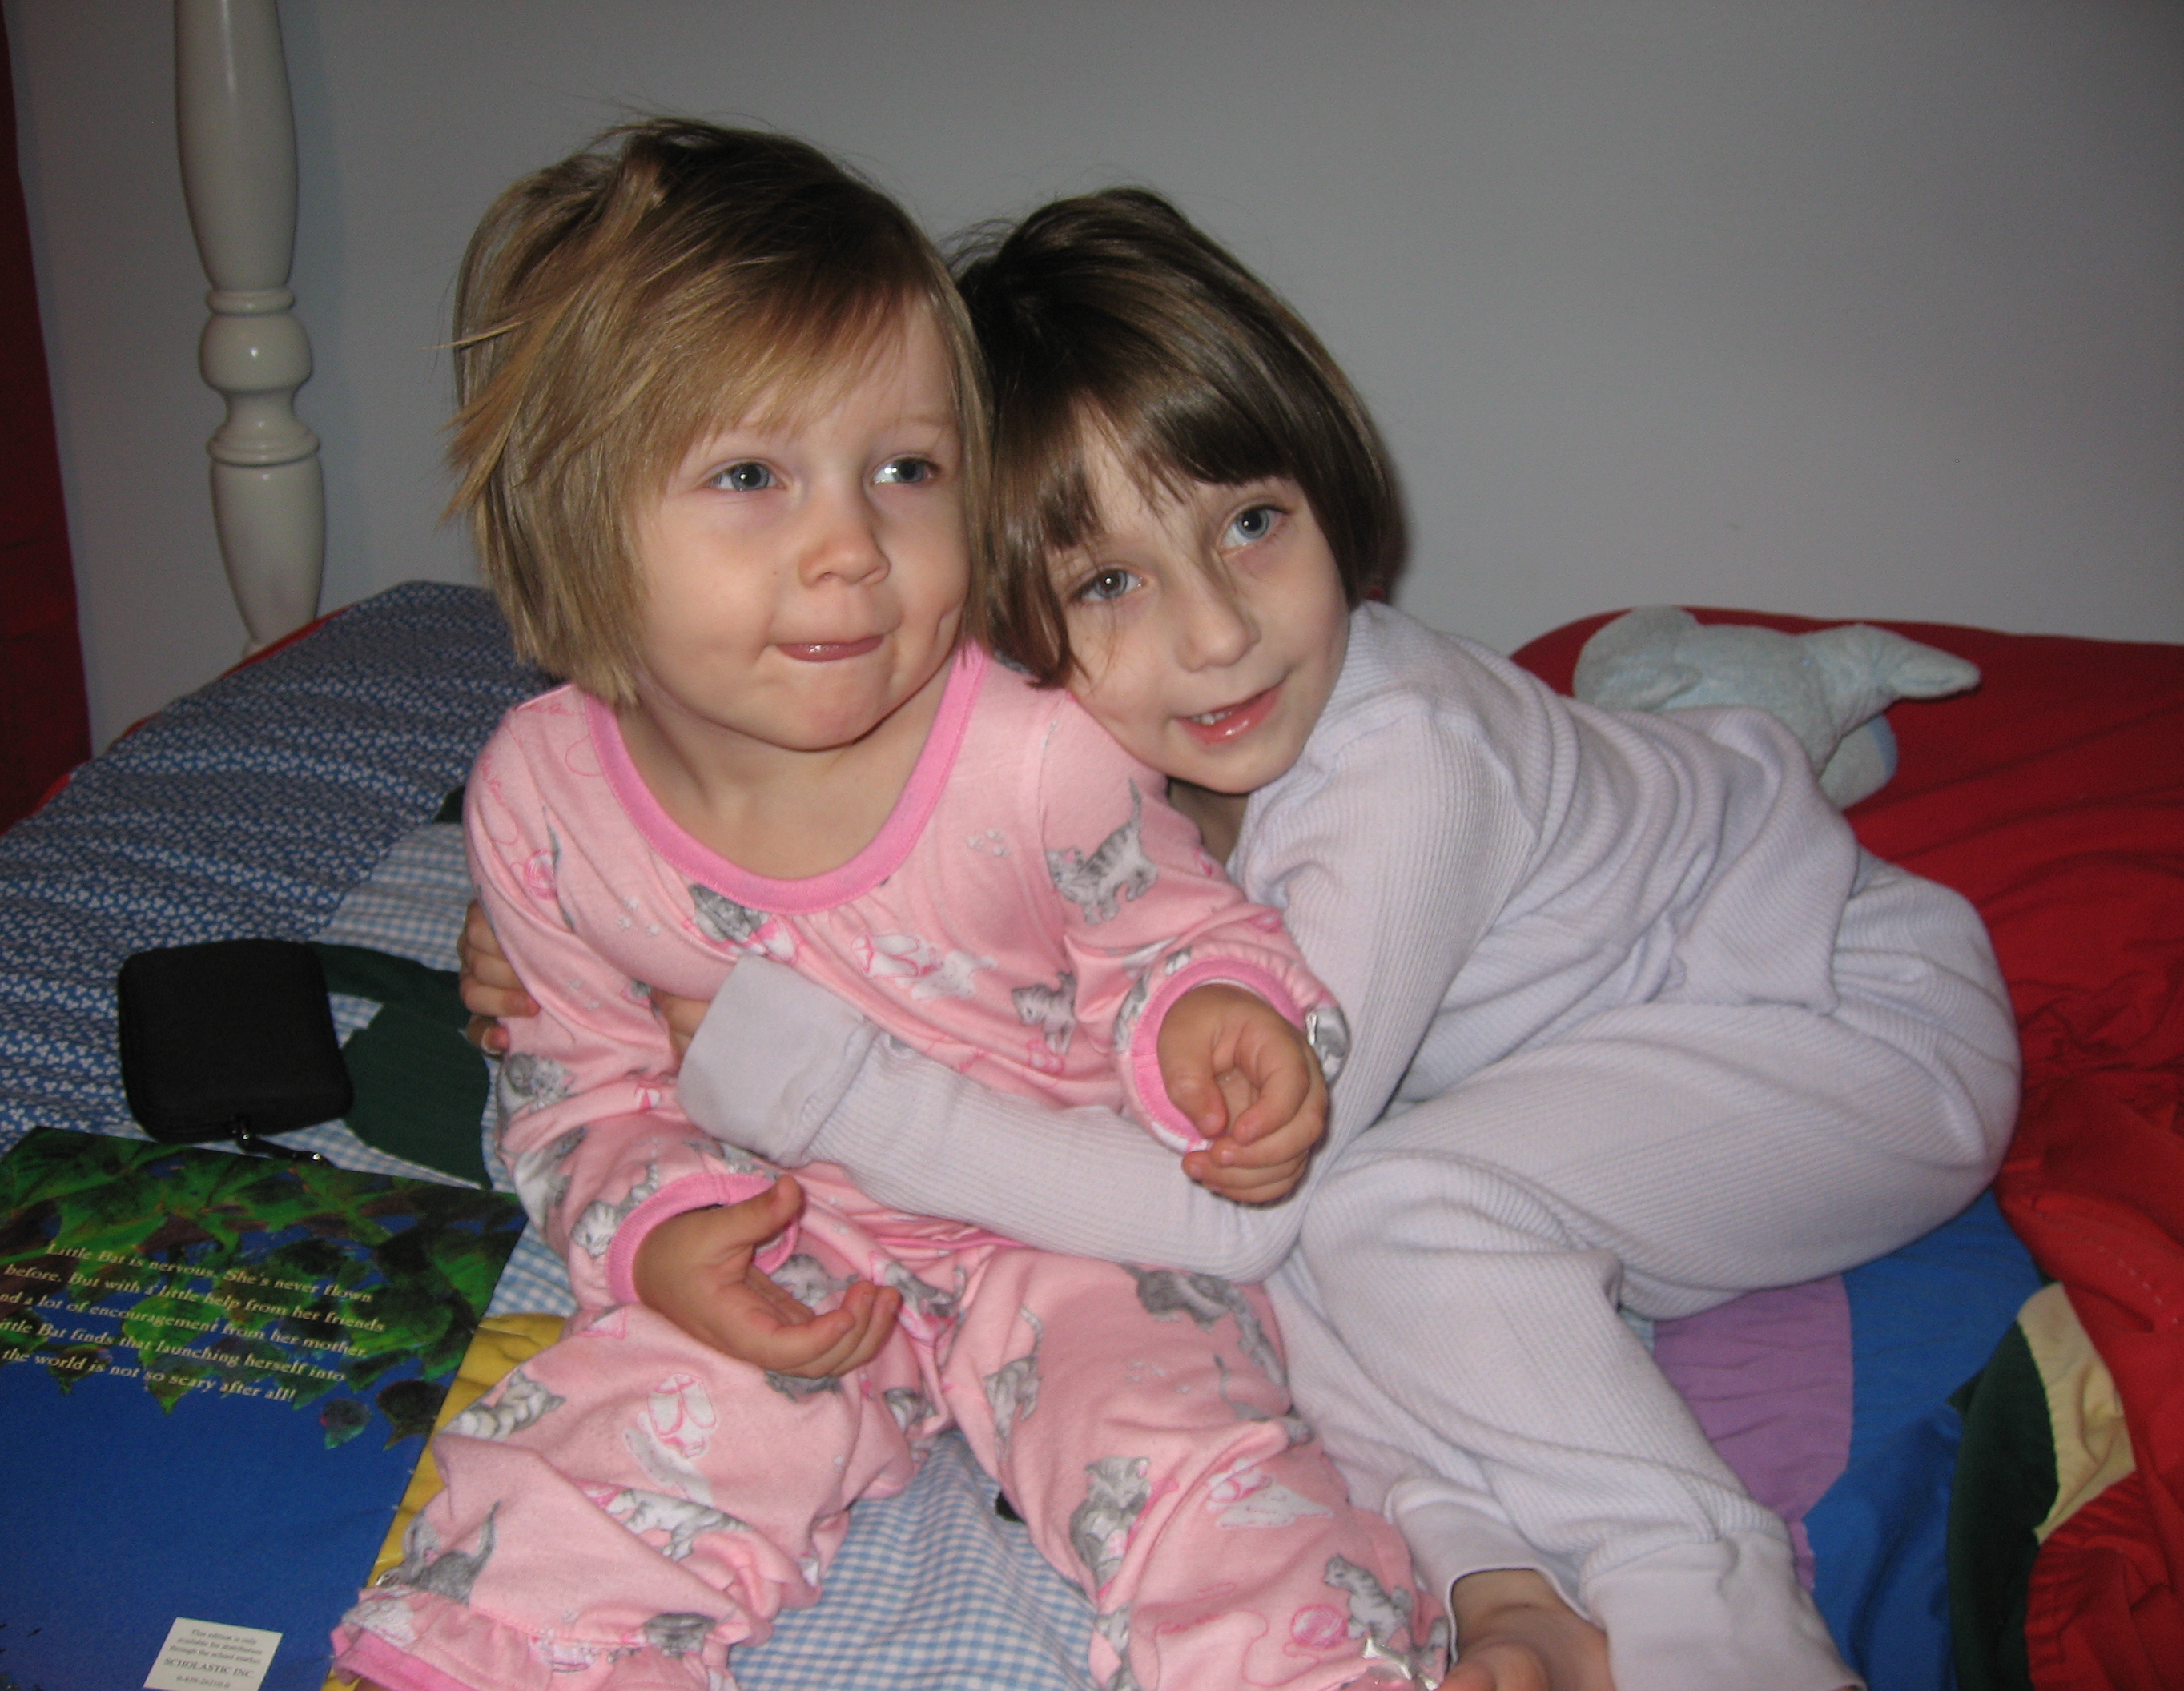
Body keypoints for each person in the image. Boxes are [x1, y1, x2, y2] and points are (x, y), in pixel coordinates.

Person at [463, 185, 2019, 1691]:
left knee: (1371, 1206)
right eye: (1107, 582)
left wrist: (831, 1093)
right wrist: (567, 914)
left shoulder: (1409, 771)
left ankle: (1714, 1616)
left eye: (1254, 522)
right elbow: (885, 864)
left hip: (1837, 1029)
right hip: (1566, 1073)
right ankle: (1511, 1592)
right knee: (1319, 1247)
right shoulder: (1083, 736)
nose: (1214, 635)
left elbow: (1215, 1222)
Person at [334, 125, 1434, 1691]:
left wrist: (1212, 1017)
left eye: (906, 471)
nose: (852, 547)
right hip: (789, 1229)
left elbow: (1175, 930)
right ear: (566, 517)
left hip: (1064, 1224)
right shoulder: (543, 801)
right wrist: (661, 1236)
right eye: (749, 477)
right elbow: (578, 1088)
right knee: (598, 1460)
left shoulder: (1034, 753)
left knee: (1184, 1457)